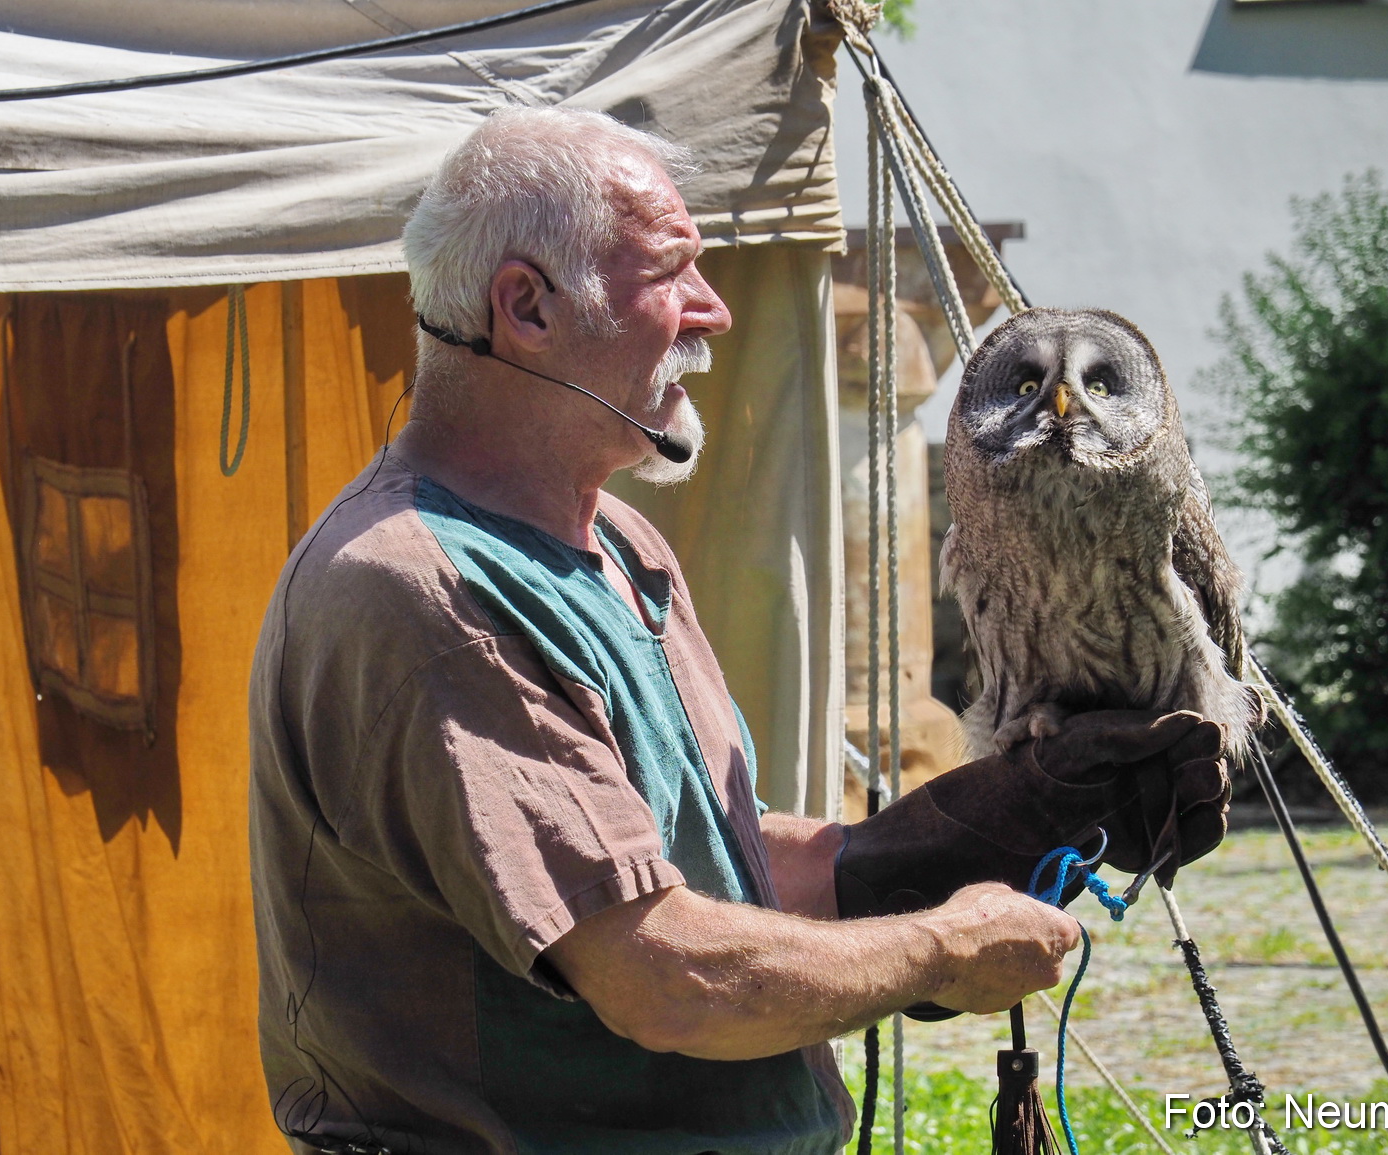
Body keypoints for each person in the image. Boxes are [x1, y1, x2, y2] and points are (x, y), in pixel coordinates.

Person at [247, 106, 1230, 1155]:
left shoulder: (617, 543)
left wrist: (948, 830)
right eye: (672, 273)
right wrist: (939, 948)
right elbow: (659, 974)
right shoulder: (425, 591)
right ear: (525, 308)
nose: (713, 313)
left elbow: (686, 859)